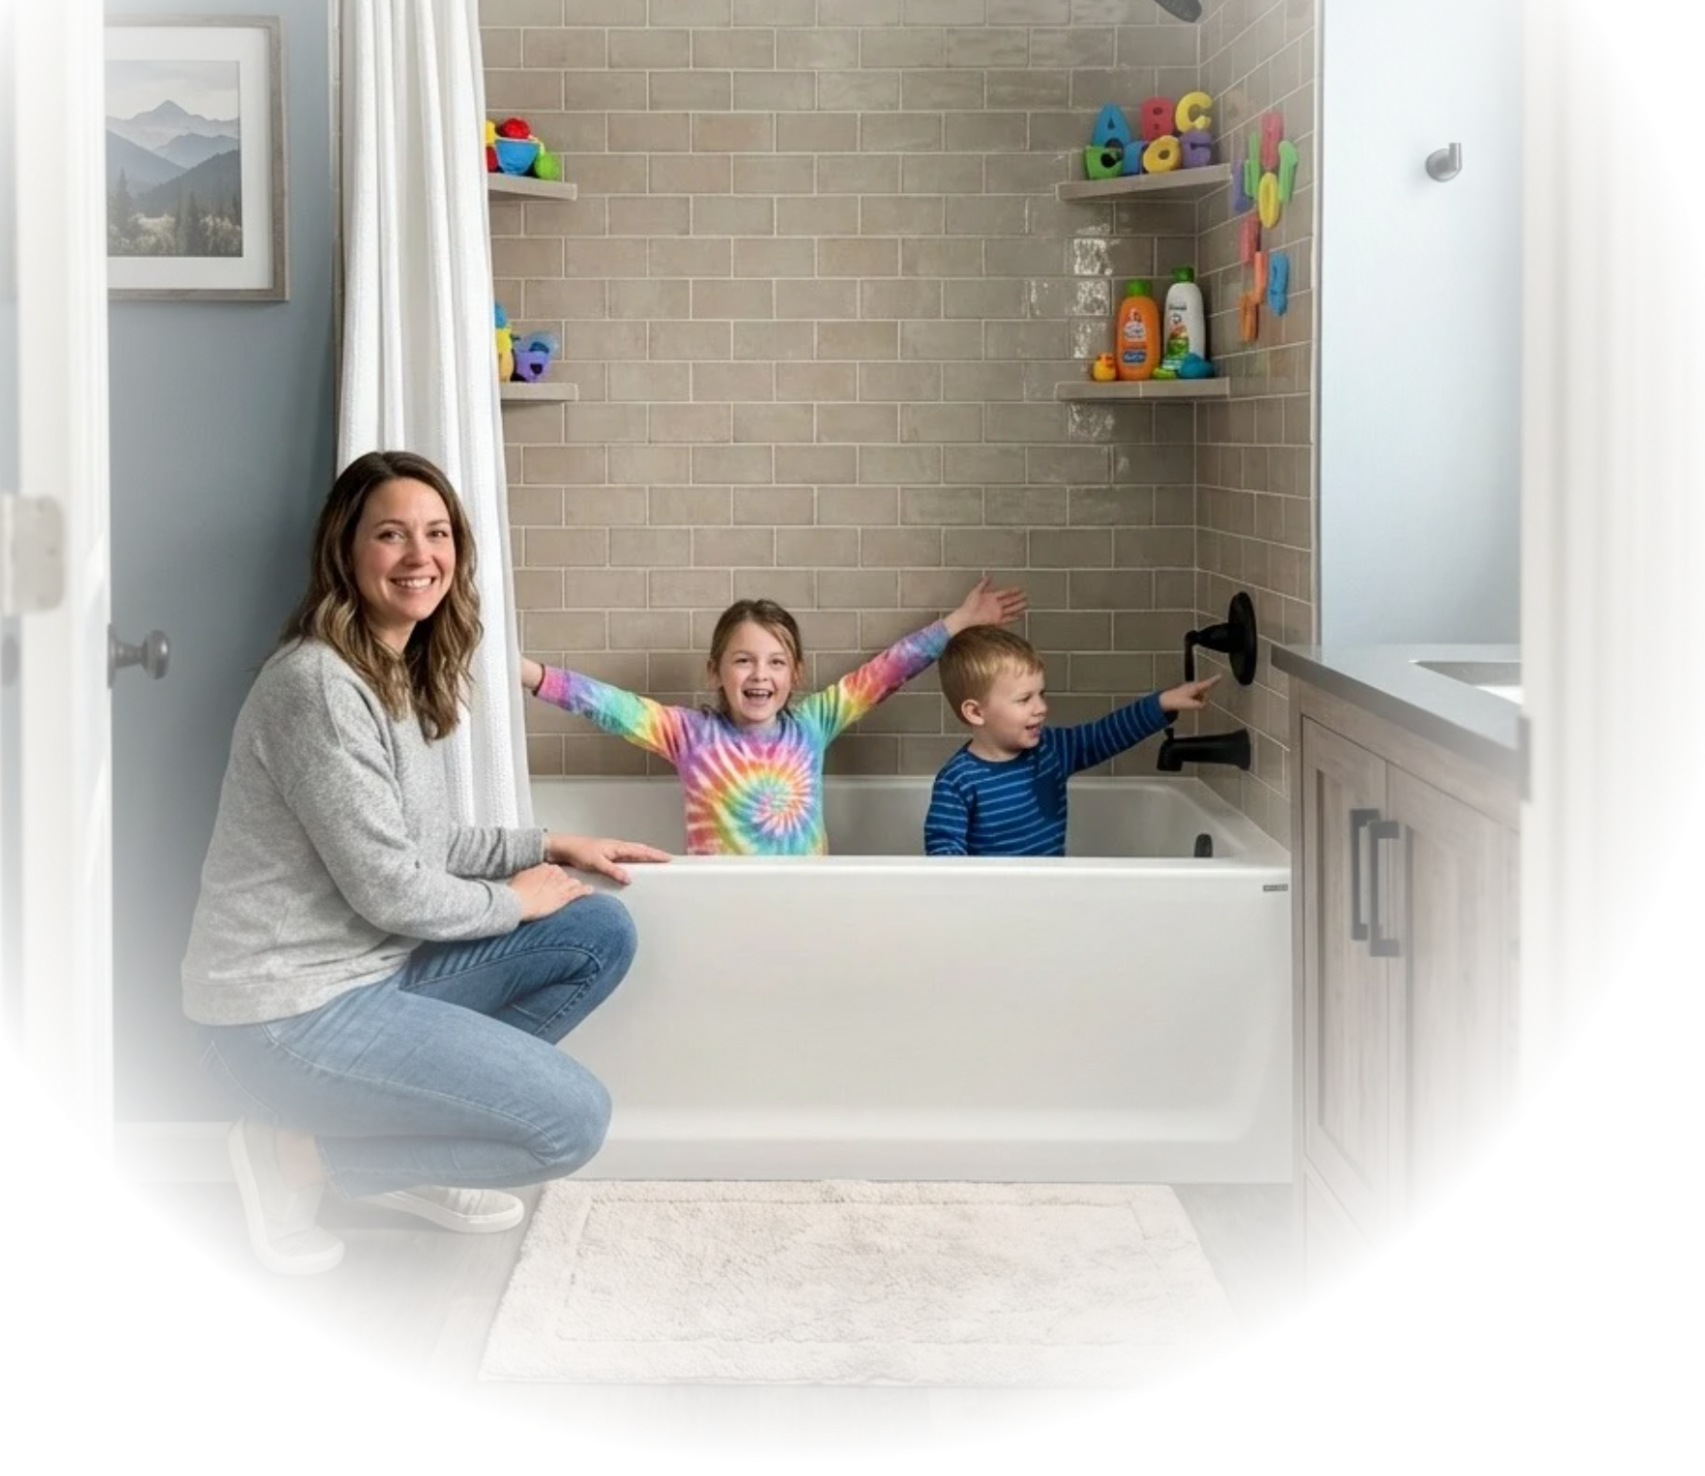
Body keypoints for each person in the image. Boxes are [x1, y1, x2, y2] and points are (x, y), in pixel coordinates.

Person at [180, 450, 671, 1278]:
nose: (420, 556)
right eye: (392, 535)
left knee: (596, 930)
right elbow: (393, 890)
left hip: (372, 977)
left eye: (437, 533)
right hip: (282, 1018)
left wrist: (549, 846)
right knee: (571, 1122)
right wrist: (514, 902)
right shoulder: (319, 688)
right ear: (345, 550)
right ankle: (298, 1157)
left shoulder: (389, 671)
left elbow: (425, 843)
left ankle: (407, 1141)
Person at [519, 575, 1028, 856]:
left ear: (795, 673)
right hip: (720, 904)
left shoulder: (813, 723)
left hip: (802, 899)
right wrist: (529, 674)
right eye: (743, 660)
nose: (760, 675)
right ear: (716, 671)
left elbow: (886, 671)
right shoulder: (689, 734)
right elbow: (609, 706)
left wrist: (959, 622)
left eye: (776, 662)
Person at [923, 625, 1222, 856]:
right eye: (1024, 699)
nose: (1040, 707)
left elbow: (1104, 734)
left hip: (1053, 894)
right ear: (976, 712)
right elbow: (945, 860)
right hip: (993, 904)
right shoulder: (958, 781)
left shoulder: (1051, 750)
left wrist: (1163, 703)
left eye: (1041, 694)